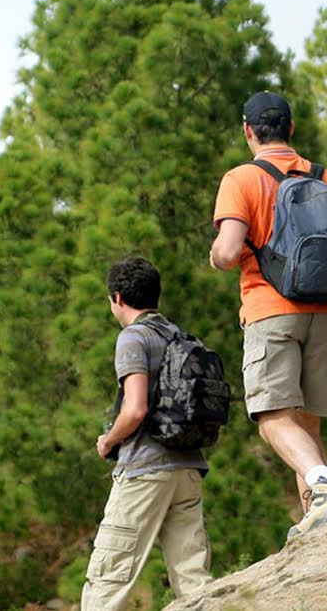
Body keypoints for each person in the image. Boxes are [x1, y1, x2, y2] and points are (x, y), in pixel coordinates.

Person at [209, 91, 327, 540]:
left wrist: (216, 257)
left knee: (273, 418)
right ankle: (318, 523)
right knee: (307, 424)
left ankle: (323, 488)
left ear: (248, 131)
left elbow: (228, 253)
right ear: (292, 129)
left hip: (271, 311)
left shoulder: (241, 179)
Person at [82, 257, 212, 611]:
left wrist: (109, 440)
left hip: (144, 471)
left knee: (109, 579)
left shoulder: (133, 338)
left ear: (117, 298)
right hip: (187, 468)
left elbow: (136, 408)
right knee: (194, 580)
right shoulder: (181, 336)